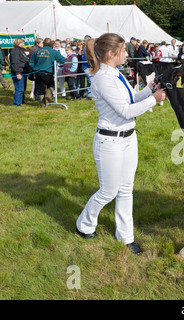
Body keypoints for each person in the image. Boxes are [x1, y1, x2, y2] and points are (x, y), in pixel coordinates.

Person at [75, 33, 167, 255]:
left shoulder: (116, 73)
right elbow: (126, 111)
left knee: (126, 190)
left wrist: (150, 89)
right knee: (108, 191)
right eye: (124, 50)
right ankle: (84, 225)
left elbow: (131, 99)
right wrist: (154, 99)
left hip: (128, 138)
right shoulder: (102, 79)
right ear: (111, 53)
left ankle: (126, 237)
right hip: (109, 141)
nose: (127, 53)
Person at [29, 37, 66, 108]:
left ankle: (43, 105)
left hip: (38, 73)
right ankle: (48, 95)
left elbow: (31, 62)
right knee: (52, 85)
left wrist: (35, 68)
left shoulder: (37, 51)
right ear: (51, 44)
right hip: (48, 73)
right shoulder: (53, 51)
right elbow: (62, 59)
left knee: (41, 88)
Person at [9, 38, 31, 106]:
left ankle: (21, 101)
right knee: (19, 88)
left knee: (23, 88)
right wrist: (17, 73)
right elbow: (15, 63)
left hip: (23, 72)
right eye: (22, 43)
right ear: (18, 43)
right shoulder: (15, 51)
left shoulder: (21, 50)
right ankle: (16, 103)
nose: (24, 44)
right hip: (19, 72)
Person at [81, 35, 93, 99]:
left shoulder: (92, 47)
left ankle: (89, 94)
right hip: (86, 65)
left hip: (92, 65)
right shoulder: (85, 47)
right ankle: (90, 94)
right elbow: (87, 57)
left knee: (90, 80)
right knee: (91, 80)